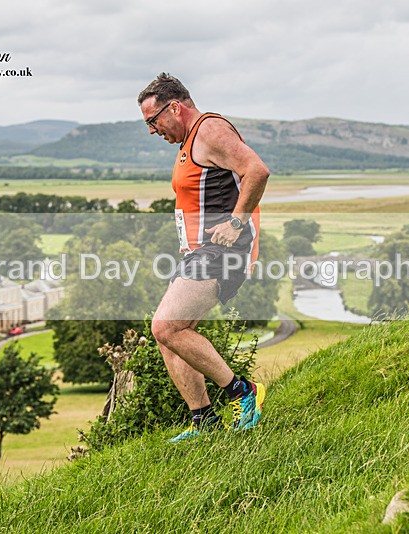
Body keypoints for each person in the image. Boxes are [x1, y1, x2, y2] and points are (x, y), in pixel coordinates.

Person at [137, 73, 271, 442]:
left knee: (165, 326)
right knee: (173, 335)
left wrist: (237, 222)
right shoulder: (188, 143)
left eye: (153, 121)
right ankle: (204, 420)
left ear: (175, 107)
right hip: (201, 252)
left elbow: (257, 170)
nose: (152, 130)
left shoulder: (209, 130)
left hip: (223, 250)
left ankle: (242, 392)